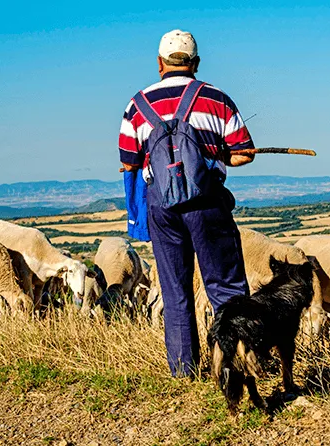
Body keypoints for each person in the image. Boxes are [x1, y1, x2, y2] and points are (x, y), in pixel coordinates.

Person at [118, 29, 255, 377]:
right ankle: (234, 365)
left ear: (160, 63)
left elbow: (129, 163)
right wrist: (217, 153)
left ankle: (184, 371)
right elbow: (243, 154)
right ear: (195, 63)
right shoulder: (216, 98)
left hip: (161, 207)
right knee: (225, 287)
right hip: (207, 203)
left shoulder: (137, 105)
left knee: (176, 290)